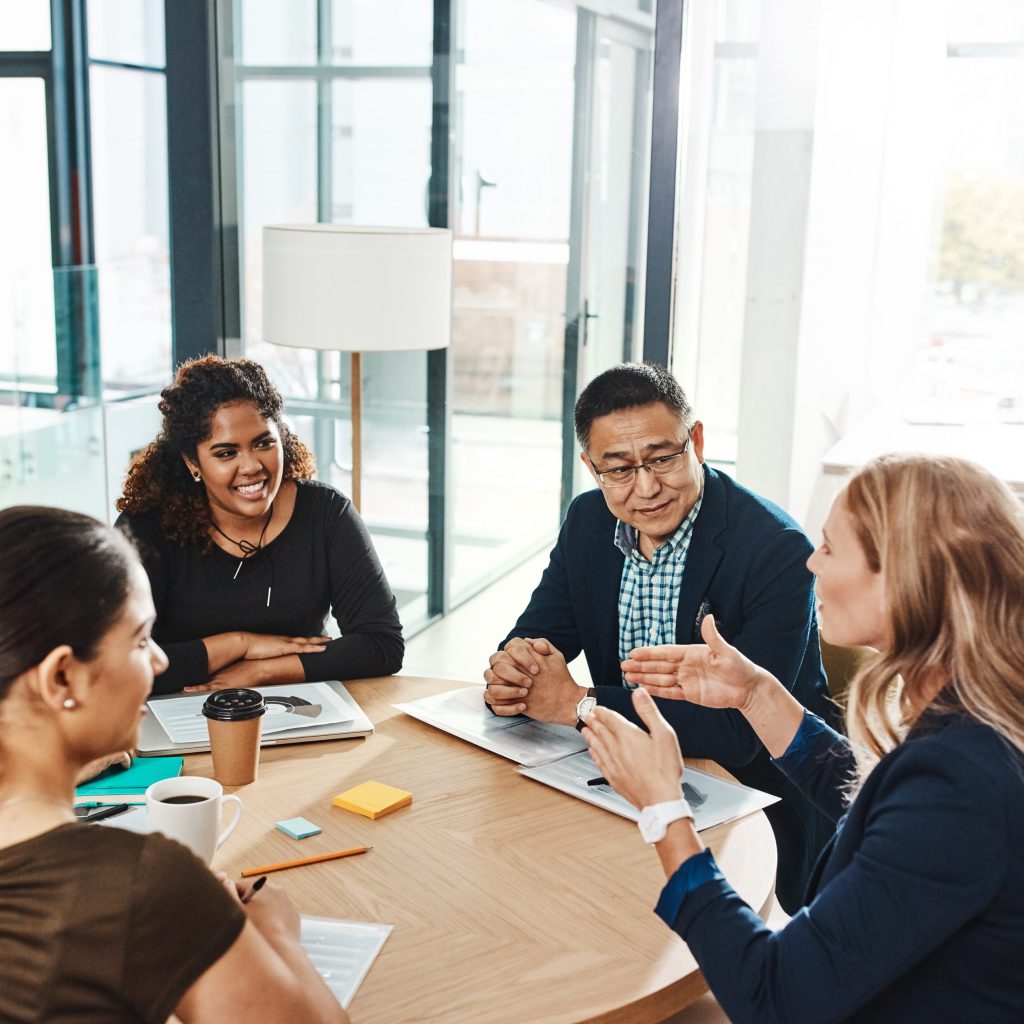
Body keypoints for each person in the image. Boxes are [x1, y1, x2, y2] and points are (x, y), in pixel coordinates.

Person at [584, 454, 1024, 1023]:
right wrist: (756, 695)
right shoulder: (973, 713)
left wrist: (663, 811)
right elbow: (881, 807)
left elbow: (776, 1000)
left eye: (831, 547)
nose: (812, 562)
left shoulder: (959, 784)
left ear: (903, 578)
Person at [483, 362, 835, 911]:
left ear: (695, 440)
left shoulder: (775, 548)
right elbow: (538, 635)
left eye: (663, 458)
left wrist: (579, 705)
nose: (646, 488)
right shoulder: (588, 522)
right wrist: (515, 672)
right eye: (618, 469)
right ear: (590, 466)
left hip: (750, 799)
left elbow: (742, 731)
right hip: (620, 785)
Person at [0, 506, 349, 1023]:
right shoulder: (140, 885)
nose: (161, 661)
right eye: (141, 640)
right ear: (61, 680)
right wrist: (275, 932)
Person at [116, 355, 403, 694]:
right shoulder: (146, 527)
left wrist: (261, 673)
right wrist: (239, 644)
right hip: (176, 714)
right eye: (226, 453)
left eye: (264, 443)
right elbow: (117, 664)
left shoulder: (326, 513)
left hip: (299, 710)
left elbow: (382, 645)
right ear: (193, 462)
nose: (251, 466)